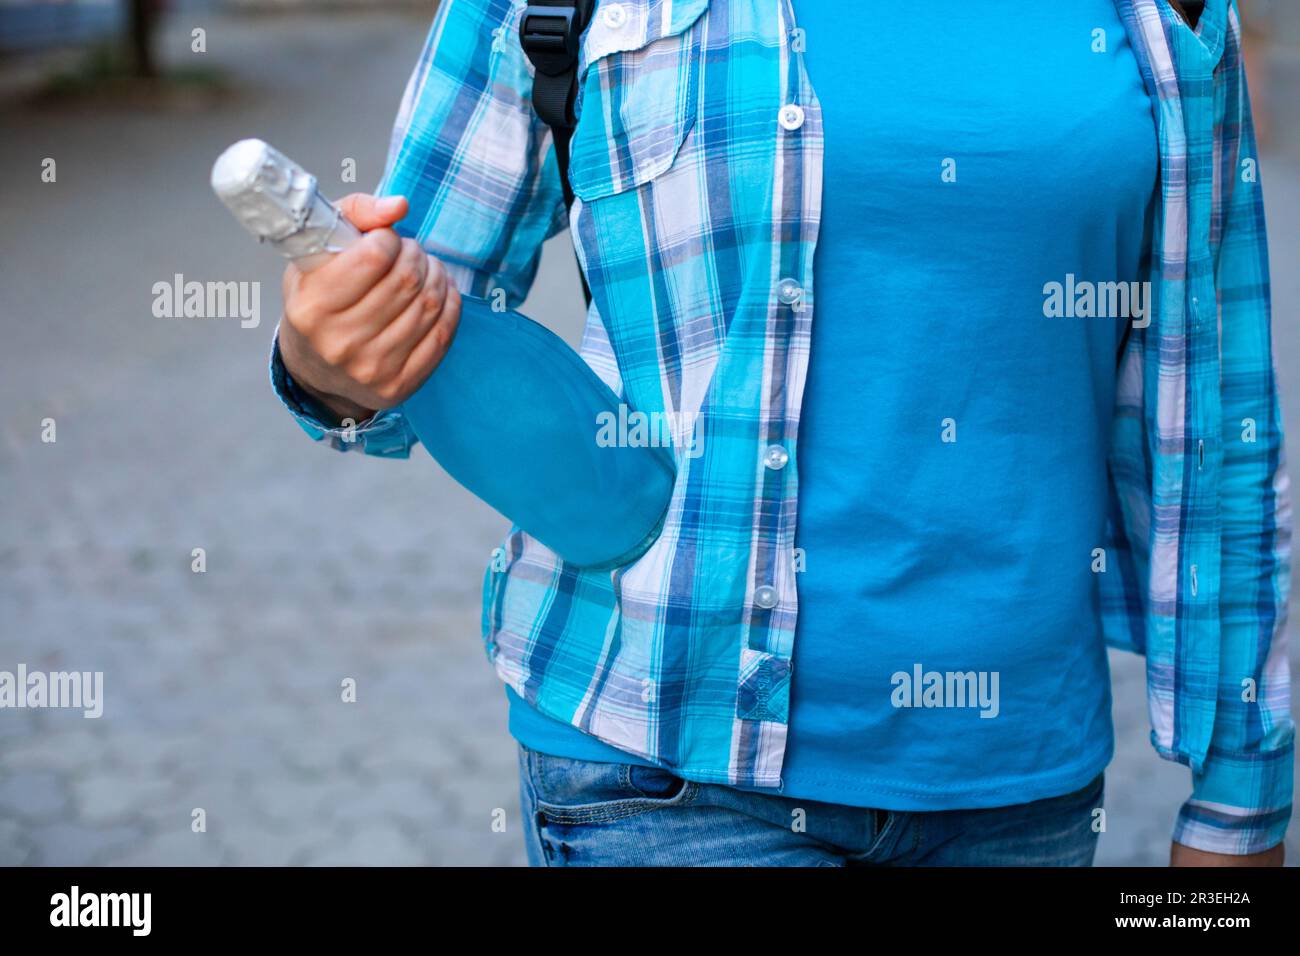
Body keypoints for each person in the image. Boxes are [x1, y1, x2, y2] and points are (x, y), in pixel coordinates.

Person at [270, 0, 1292, 866]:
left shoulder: (1172, 10)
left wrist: (1242, 796)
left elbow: (1225, 417)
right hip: (667, 781)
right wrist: (329, 350)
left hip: (1020, 787)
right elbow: (408, 306)